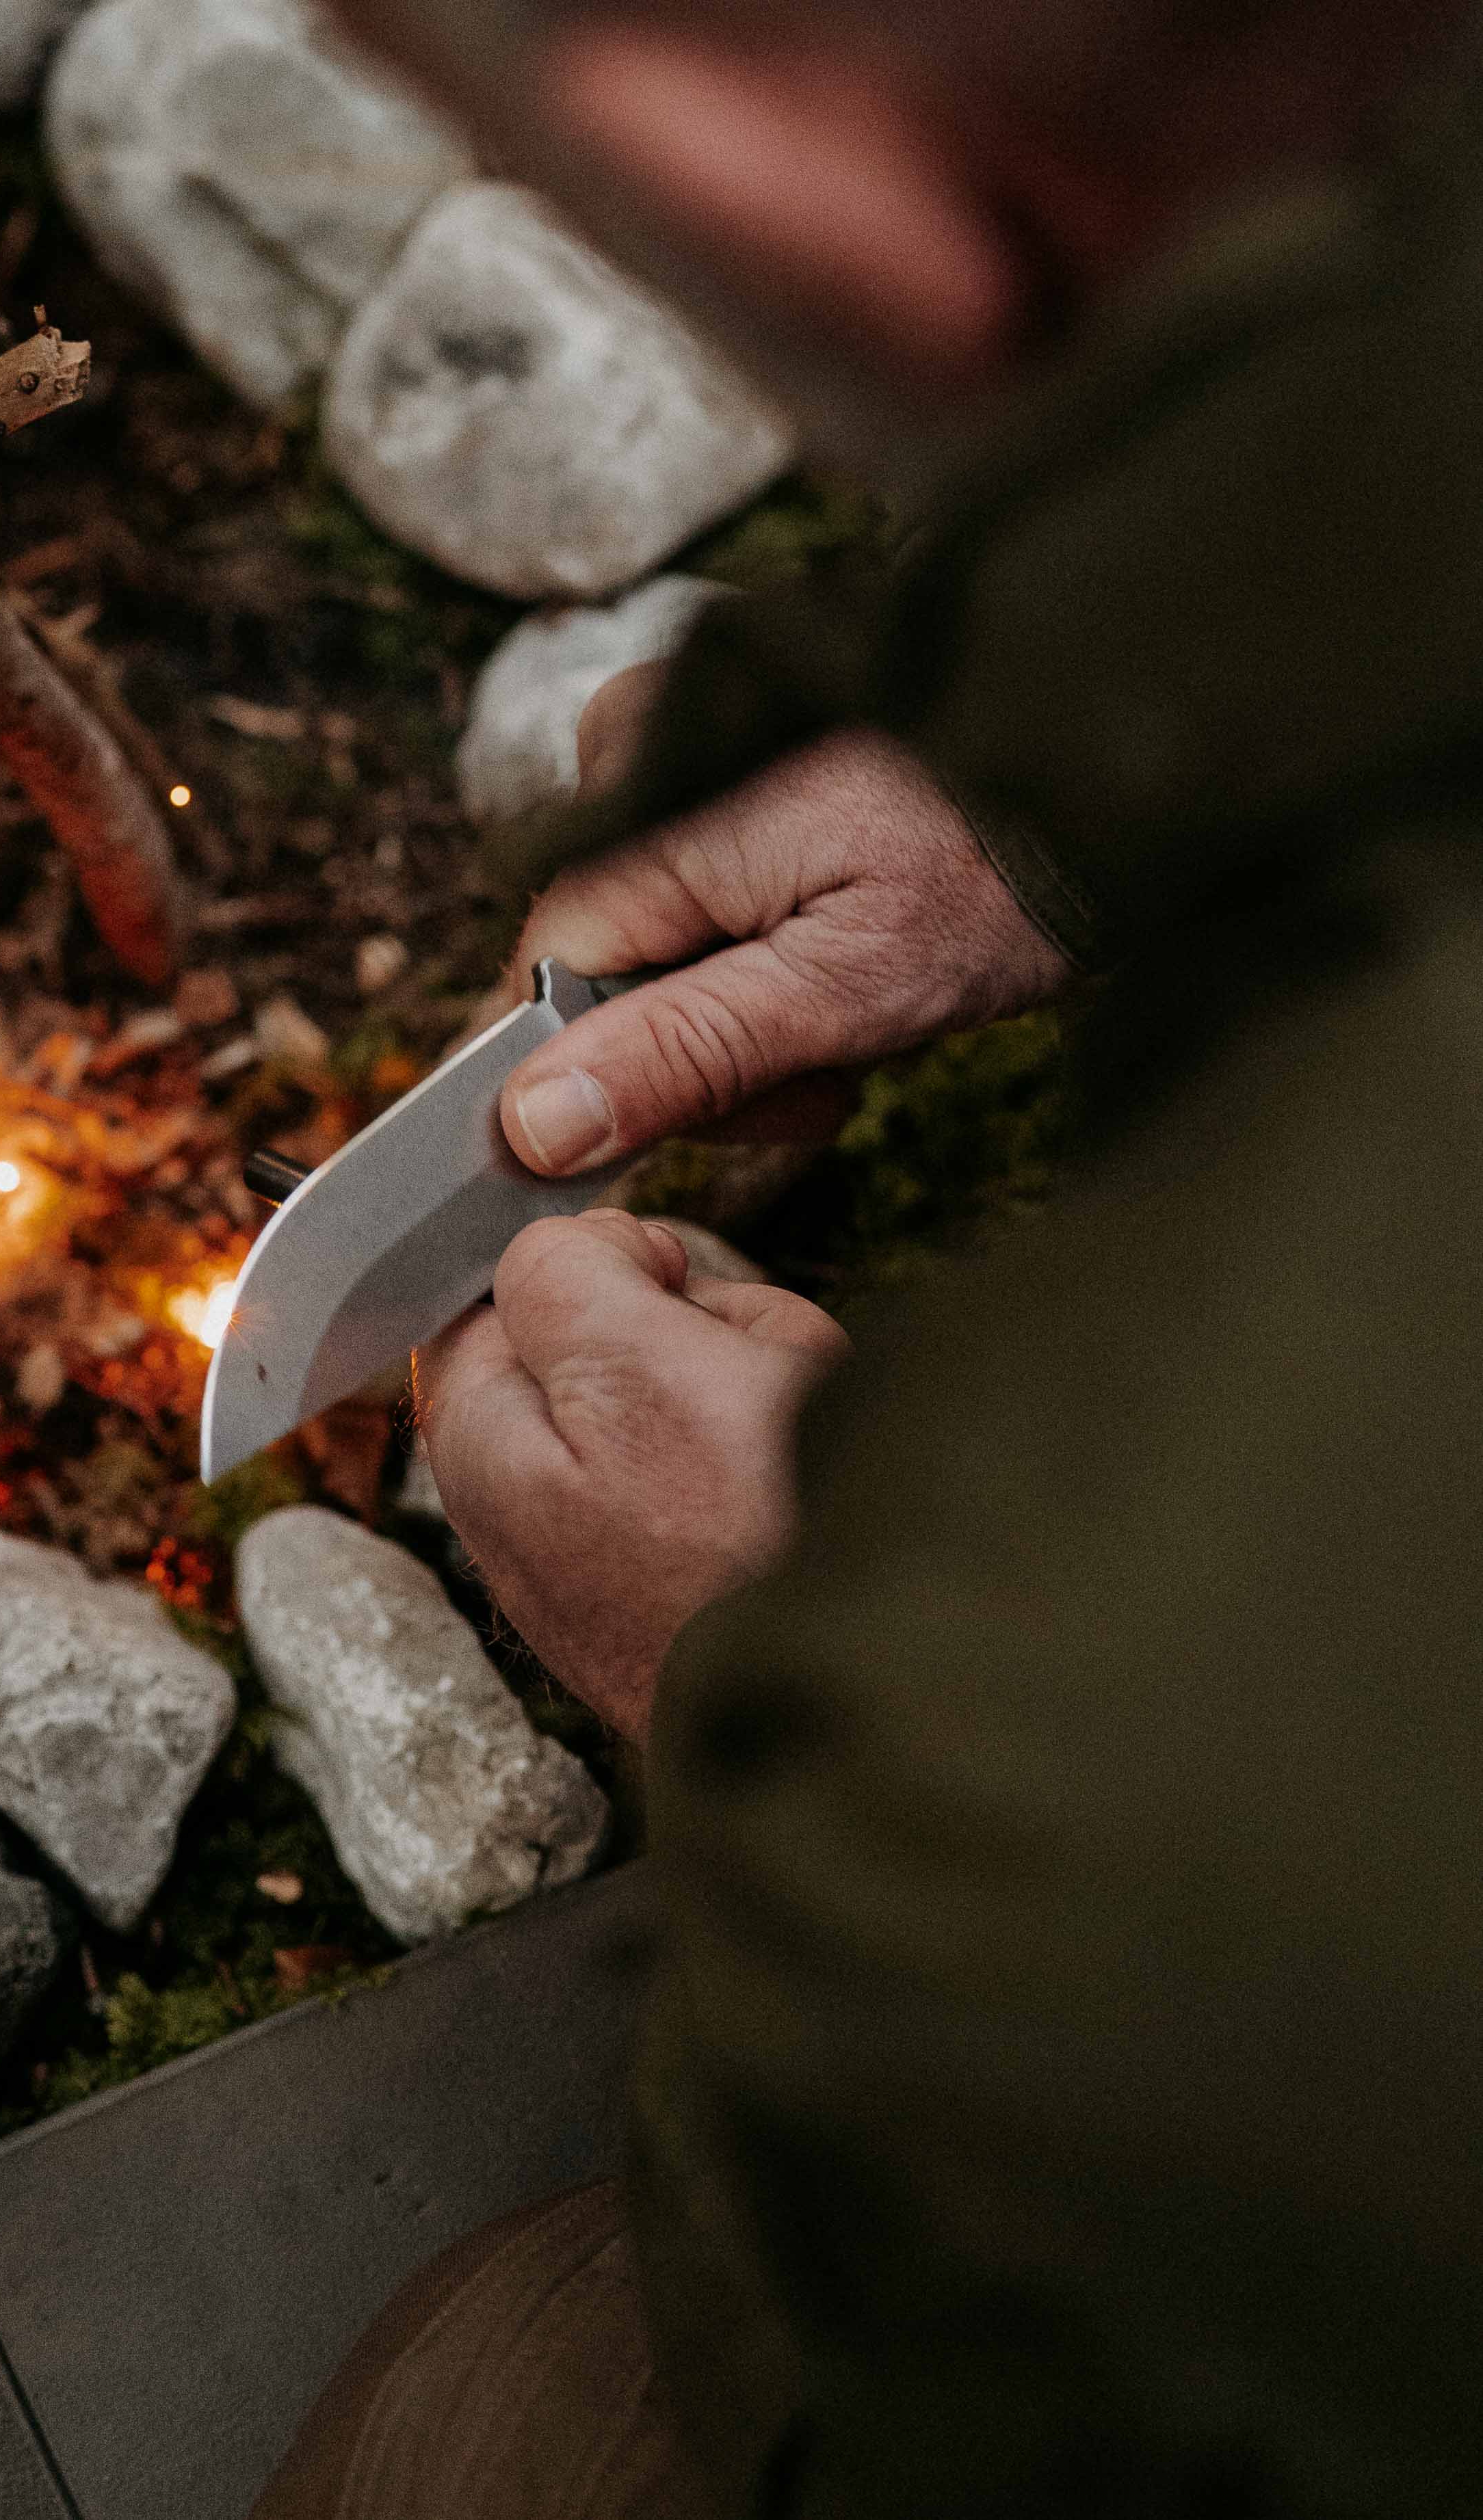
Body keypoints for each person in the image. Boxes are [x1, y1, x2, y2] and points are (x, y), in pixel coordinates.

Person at [251, 2, 1483, 2514]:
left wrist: (800, 1687)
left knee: (462, 2450)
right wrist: (1079, 741)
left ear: (771, 174)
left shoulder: (1118, 1795)